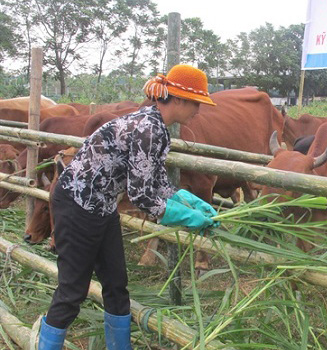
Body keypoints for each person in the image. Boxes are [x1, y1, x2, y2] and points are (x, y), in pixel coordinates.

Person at [37, 64, 218, 350]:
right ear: (180, 99)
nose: (198, 110)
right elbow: (142, 197)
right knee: (72, 291)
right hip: (77, 205)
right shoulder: (148, 128)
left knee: (116, 286)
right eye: (196, 103)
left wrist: (193, 204)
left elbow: (157, 183)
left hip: (102, 207)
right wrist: (186, 218)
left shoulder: (156, 127)